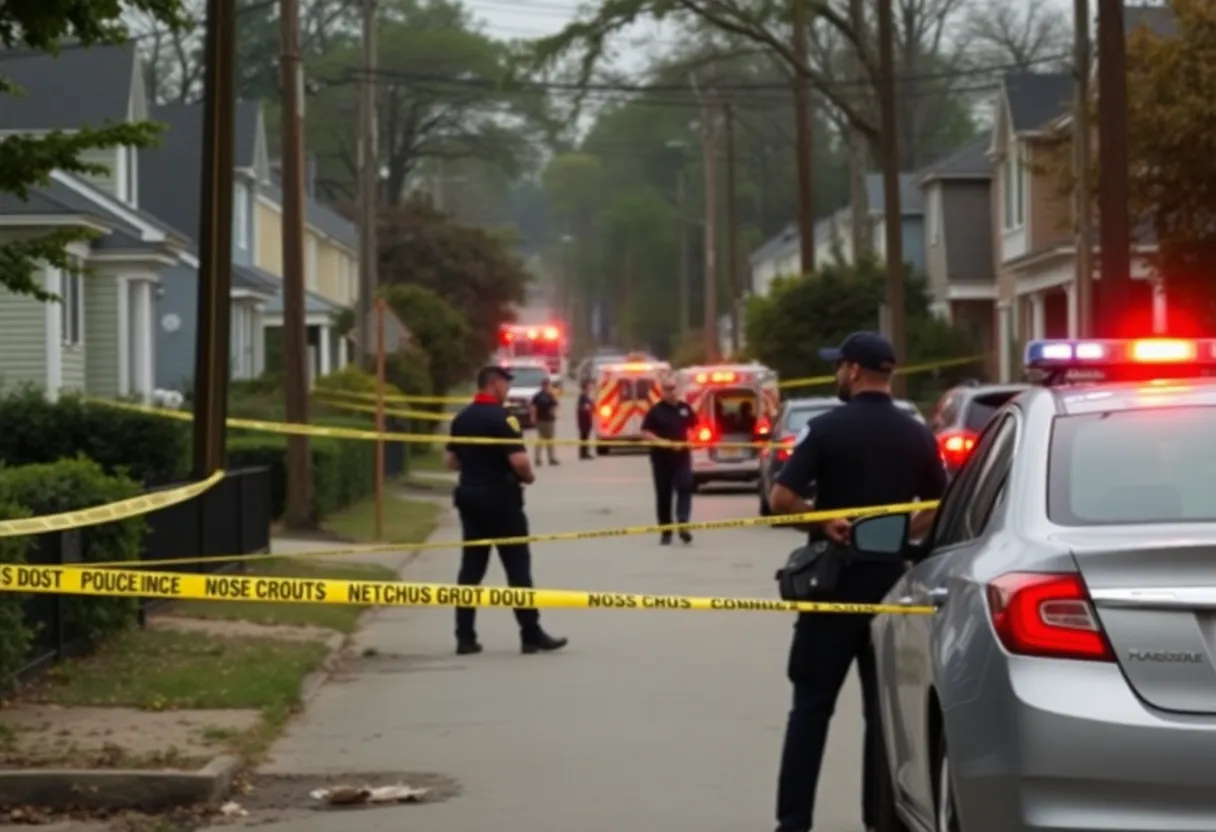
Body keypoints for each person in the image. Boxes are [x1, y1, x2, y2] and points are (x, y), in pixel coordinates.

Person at [767, 331, 945, 832]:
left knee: (810, 710)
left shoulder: (826, 429)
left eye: (838, 368)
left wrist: (823, 520)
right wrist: (909, 530)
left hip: (832, 589)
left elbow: (781, 498)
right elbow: (939, 502)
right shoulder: (916, 434)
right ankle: (880, 821)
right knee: (881, 717)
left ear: (850, 370)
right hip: (891, 588)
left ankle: (793, 823)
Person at [444, 365, 568, 656]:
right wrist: (529, 478)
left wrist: (475, 466)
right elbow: (520, 461)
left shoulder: (461, 418)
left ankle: (464, 636)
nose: (508, 390)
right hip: (501, 499)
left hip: (470, 497)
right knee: (517, 567)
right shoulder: (504, 418)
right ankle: (530, 634)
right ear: (494, 384)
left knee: (471, 568)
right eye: (506, 384)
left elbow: (449, 461)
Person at [640, 377, 698, 545]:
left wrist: (689, 439)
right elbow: (645, 432)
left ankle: (683, 522)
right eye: (667, 388)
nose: (671, 391)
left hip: (682, 457)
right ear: (662, 391)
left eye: (673, 388)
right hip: (661, 459)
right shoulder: (656, 411)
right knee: (664, 495)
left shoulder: (685, 409)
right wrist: (663, 442)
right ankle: (666, 531)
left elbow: (695, 427)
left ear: (678, 389)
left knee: (685, 485)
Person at [530, 378, 560, 466]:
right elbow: (533, 407)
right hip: (541, 420)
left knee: (550, 440)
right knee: (541, 439)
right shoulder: (538, 396)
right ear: (542, 386)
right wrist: (533, 418)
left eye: (548, 385)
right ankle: (537, 459)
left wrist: (553, 395)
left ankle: (551, 458)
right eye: (545, 385)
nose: (547, 387)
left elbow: (556, 405)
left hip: (550, 420)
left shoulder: (550, 395)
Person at [576, 380, 595, 460]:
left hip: (587, 420)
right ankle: (583, 453)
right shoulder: (582, 397)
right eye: (588, 388)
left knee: (586, 437)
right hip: (583, 421)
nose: (589, 389)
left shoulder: (587, 397)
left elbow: (592, 406)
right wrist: (586, 408)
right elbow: (580, 408)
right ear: (584, 388)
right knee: (583, 437)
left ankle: (585, 452)